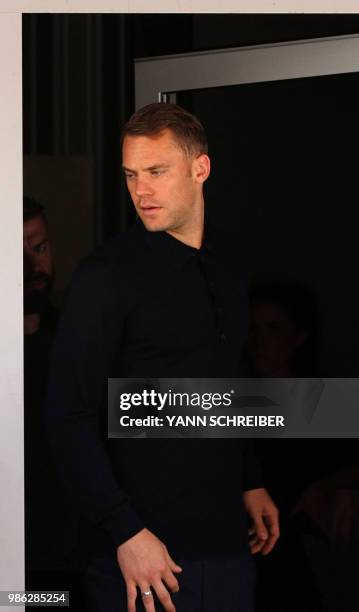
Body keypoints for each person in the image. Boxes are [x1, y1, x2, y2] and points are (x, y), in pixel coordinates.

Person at [46, 103, 279, 612]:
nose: (140, 190)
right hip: (139, 557)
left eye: (156, 172)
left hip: (226, 549)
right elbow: (67, 417)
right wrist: (126, 532)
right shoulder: (104, 278)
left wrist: (251, 479)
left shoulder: (232, 263)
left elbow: (224, 386)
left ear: (201, 169)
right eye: (131, 175)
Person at [23, 197, 84, 610]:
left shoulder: (76, 337)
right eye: (19, 252)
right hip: (17, 561)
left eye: (40, 248)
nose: (34, 266)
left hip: (70, 558)